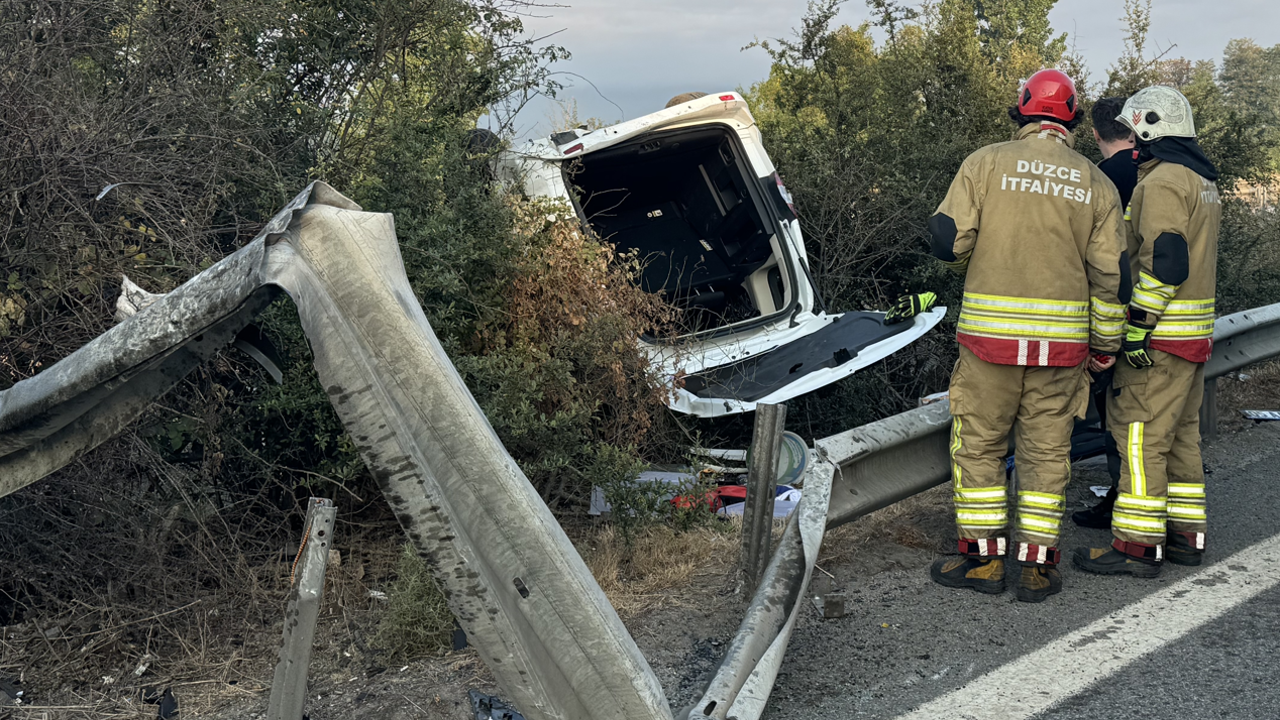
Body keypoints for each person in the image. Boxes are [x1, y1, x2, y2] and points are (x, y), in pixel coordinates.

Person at [927, 69, 1126, 603]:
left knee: (980, 449)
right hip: (1062, 353)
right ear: (1074, 120)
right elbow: (1112, 278)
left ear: (1021, 110)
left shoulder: (984, 164)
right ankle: (1038, 567)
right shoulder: (1096, 182)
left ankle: (984, 562)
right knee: (1046, 452)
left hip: (989, 347)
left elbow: (948, 244)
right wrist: (1105, 348)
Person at [1074, 85, 1221, 576]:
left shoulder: (1160, 183)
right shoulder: (1201, 181)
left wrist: (1137, 326)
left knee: (1136, 437)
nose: (1133, 141)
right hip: (1193, 336)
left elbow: (1165, 261)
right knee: (1179, 438)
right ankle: (1185, 538)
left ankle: (1137, 548)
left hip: (1159, 338)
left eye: (1138, 131)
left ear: (1153, 128)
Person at [1072, 96, 1138, 529]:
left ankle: (1123, 502)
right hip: (1162, 312)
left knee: (1117, 416)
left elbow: (1096, 260)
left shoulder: (1097, 182)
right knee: (1145, 421)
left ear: (1094, 134)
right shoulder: (1159, 171)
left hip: (1115, 314)